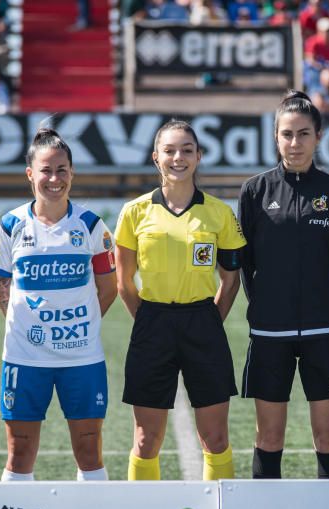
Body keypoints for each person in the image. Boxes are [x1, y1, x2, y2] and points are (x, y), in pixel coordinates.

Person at [114, 120, 245, 481]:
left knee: (215, 438)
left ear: (199, 156)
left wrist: (210, 319)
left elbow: (231, 279)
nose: (178, 157)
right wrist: (147, 319)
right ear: (156, 157)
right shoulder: (134, 212)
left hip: (203, 322)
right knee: (145, 439)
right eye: (170, 150)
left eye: (187, 150)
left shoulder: (219, 213)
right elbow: (123, 281)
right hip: (152, 323)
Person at [0, 128, 117, 482]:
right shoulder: (11, 225)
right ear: (30, 174)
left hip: (81, 357)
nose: (54, 178)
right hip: (24, 358)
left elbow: (109, 288)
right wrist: (31, 330)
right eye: (46, 170)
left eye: (62, 169)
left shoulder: (91, 226)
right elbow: (0, 286)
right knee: (20, 452)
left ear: (72, 173)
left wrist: (82, 326)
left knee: (89, 450)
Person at [238, 91, 329, 480]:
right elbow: (247, 262)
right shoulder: (255, 191)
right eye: (286, 134)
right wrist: (269, 303)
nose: (295, 143)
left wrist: (320, 298)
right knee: (269, 437)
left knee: (328, 437)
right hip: (271, 330)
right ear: (275, 137)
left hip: (324, 329)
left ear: (319, 136)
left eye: (304, 134)